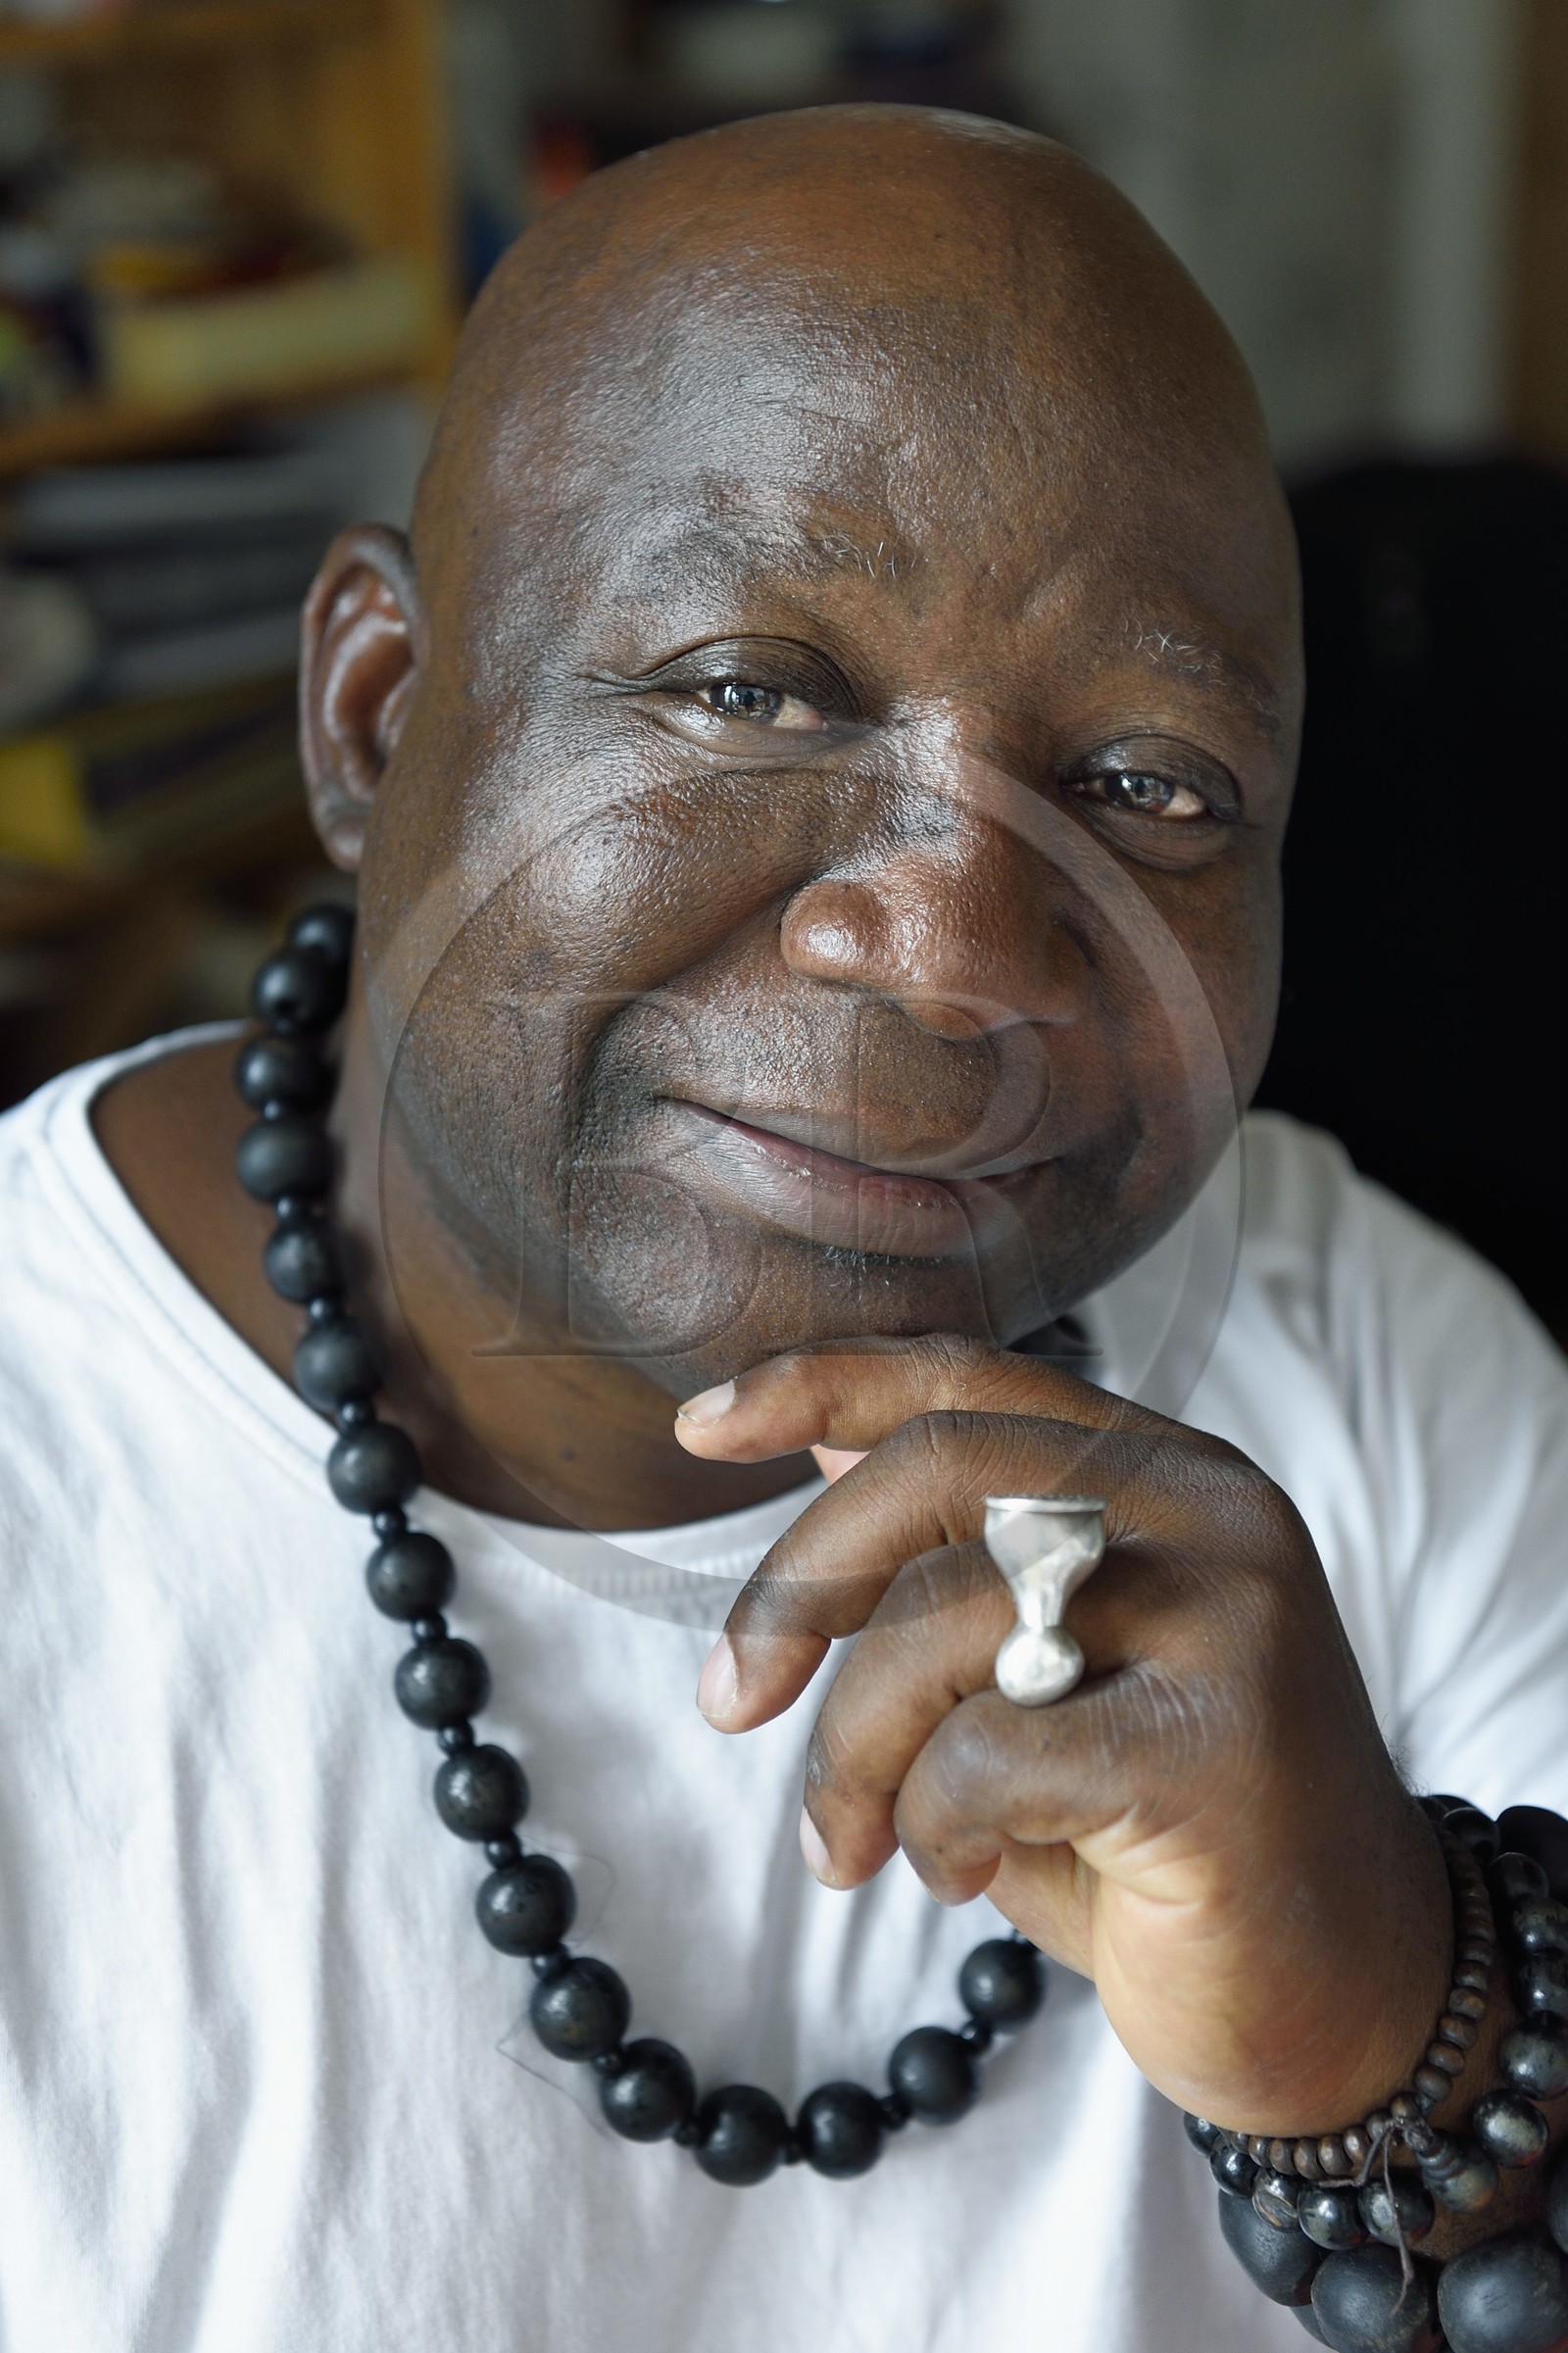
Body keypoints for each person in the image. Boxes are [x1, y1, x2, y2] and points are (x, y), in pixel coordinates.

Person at [2, 106, 1566, 2353]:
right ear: (374, 715)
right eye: (746, 689)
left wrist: (1401, 2021)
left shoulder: (1383, 1384)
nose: (954, 947)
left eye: (1146, 786)